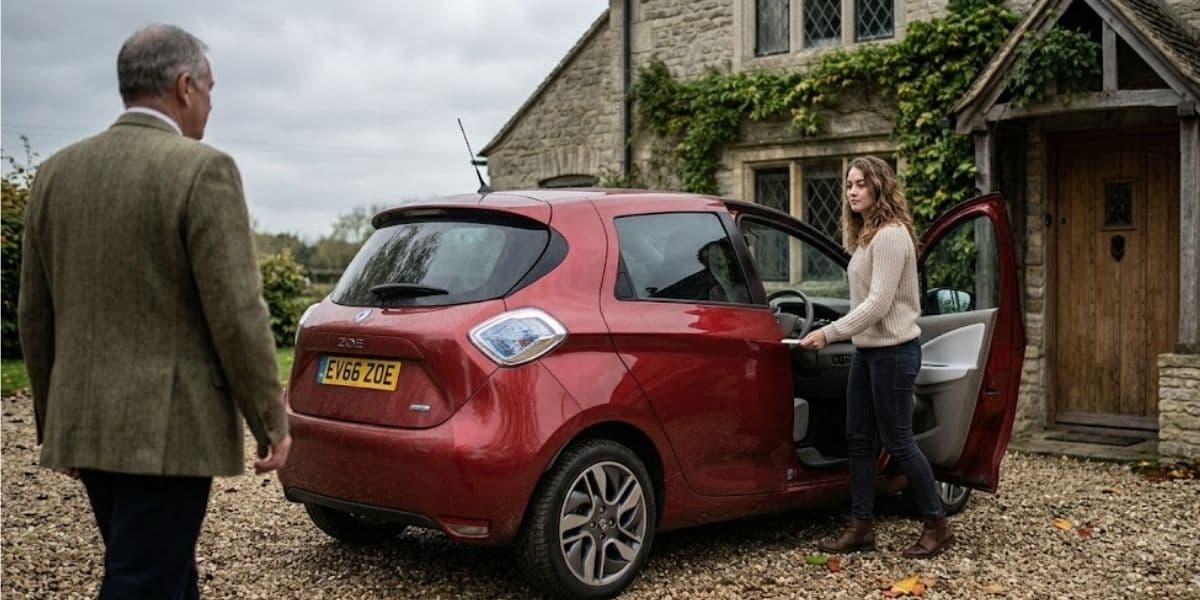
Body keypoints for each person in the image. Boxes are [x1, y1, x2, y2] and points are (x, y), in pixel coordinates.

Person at [18, 24, 291, 598]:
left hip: (86, 421)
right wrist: (271, 421)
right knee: (144, 579)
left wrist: (57, 427)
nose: (212, 105)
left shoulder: (56, 173)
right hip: (167, 430)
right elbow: (237, 312)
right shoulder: (201, 170)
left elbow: (34, 317)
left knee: (161, 570)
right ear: (185, 86)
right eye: (211, 89)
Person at [798, 155, 953, 558]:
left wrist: (829, 333)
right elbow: (862, 301)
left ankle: (937, 523)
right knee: (858, 440)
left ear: (879, 187)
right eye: (849, 184)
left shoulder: (890, 235)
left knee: (899, 440)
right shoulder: (866, 236)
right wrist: (839, 328)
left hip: (895, 354)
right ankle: (861, 527)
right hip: (867, 353)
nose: (852, 191)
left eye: (860, 184)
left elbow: (880, 303)